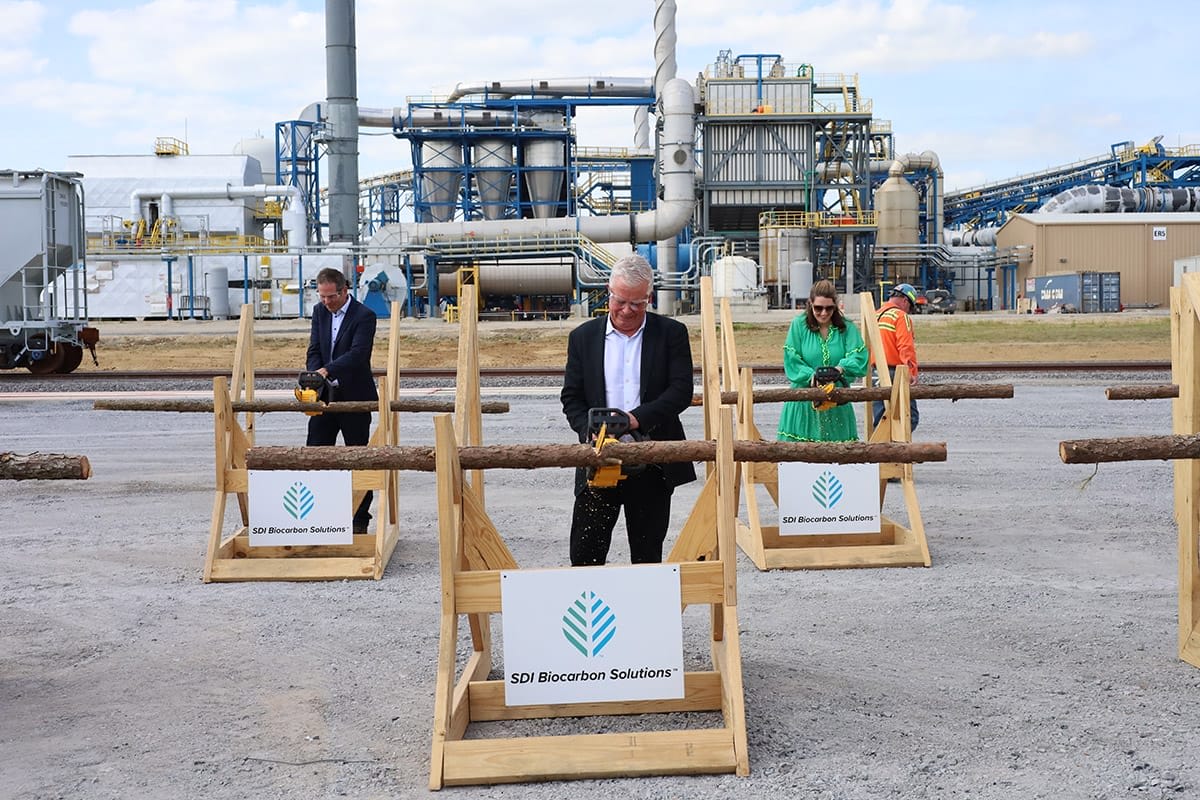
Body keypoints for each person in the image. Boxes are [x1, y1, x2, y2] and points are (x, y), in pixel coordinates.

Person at [560, 254, 696, 566]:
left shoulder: (672, 334)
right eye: (620, 301)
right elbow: (572, 398)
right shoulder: (581, 338)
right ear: (609, 292)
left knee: (647, 558)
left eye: (636, 304)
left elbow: (680, 391)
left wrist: (636, 419)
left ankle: (648, 615)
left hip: (652, 460)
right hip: (597, 460)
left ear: (649, 297)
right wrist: (590, 429)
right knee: (584, 556)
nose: (626, 311)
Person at [306, 267, 378, 534]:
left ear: (344, 290)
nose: (326, 302)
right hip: (324, 399)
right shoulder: (319, 312)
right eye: (322, 297)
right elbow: (314, 348)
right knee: (315, 454)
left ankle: (359, 519)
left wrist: (328, 370)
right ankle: (319, 514)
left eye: (331, 297)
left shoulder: (364, 316)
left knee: (358, 457)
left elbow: (359, 354)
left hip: (356, 397)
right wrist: (314, 374)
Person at [777, 280, 870, 442]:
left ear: (836, 306)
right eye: (818, 308)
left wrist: (842, 368)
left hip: (837, 404)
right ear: (810, 304)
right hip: (804, 404)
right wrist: (811, 375)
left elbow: (860, 357)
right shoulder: (798, 325)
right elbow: (792, 360)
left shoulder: (846, 328)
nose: (824, 313)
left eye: (829, 308)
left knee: (839, 459)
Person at [872, 282, 920, 432]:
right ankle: (897, 450)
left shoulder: (876, 315)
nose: (909, 311)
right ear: (905, 301)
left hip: (875, 373)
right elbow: (906, 346)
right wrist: (911, 373)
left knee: (881, 417)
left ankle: (880, 449)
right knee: (909, 417)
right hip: (895, 372)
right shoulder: (900, 316)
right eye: (910, 307)